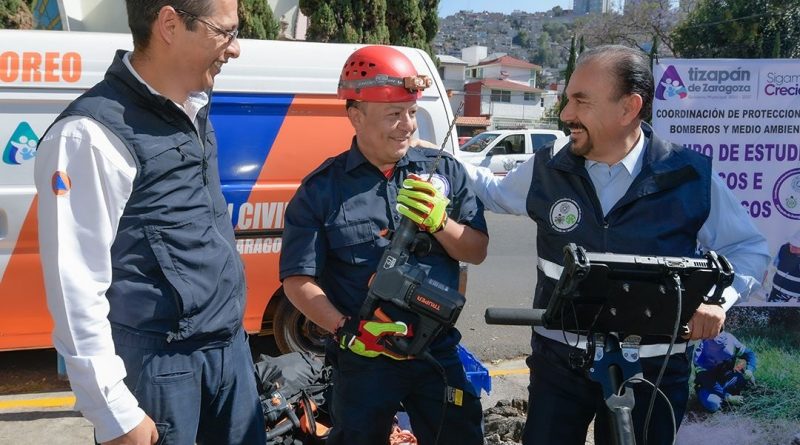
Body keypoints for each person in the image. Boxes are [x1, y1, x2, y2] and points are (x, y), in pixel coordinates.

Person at [462, 44, 770, 445]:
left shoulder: (689, 177)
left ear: (629, 108)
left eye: (581, 101)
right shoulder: (548, 167)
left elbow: (749, 248)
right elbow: (490, 190)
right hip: (560, 366)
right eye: (567, 99)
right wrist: (425, 156)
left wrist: (717, 302)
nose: (566, 114)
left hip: (653, 373)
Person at [34, 1, 266, 444]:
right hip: (160, 369)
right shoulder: (89, 135)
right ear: (170, 24)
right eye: (225, 32)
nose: (234, 49)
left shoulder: (193, 108)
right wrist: (114, 413)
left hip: (228, 353)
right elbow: (74, 286)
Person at [279, 45, 488, 445]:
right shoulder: (321, 190)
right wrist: (348, 330)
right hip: (364, 359)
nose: (407, 126)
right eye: (394, 114)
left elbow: (476, 251)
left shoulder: (444, 172)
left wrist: (440, 223)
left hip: (436, 351)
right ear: (356, 115)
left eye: (411, 112)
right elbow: (297, 281)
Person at [693, 331, 757, 413]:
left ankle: (738, 395)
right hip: (709, 387)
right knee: (713, 404)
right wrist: (728, 397)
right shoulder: (699, 357)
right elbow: (709, 383)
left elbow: (749, 354)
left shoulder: (731, 340)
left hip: (728, 379)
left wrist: (750, 369)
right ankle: (725, 402)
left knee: (749, 378)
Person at [765, 229, 800, 302]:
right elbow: (774, 266)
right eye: (792, 244)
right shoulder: (784, 249)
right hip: (775, 291)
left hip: (793, 299)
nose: (792, 248)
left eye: (797, 246)